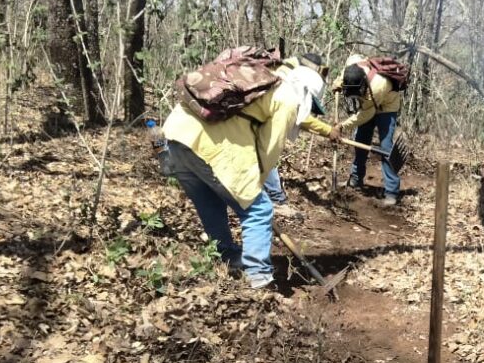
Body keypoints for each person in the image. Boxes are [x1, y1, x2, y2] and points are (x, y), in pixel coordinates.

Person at [162, 62, 338, 289]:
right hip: (210, 146)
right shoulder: (287, 98)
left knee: (210, 202)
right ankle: (260, 279)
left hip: (176, 137)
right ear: (306, 93)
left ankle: (228, 257)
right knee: (259, 209)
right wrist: (255, 188)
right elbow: (269, 150)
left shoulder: (264, 83)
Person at [262, 53, 334, 218]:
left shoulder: (289, 71)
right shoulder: (288, 78)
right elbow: (299, 115)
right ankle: (276, 200)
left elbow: (299, 116)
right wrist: (328, 131)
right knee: (269, 151)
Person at [336, 54, 402, 205]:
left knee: (386, 147)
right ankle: (356, 179)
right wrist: (336, 84)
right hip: (368, 103)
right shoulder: (350, 68)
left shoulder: (378, 84)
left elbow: (366, 114)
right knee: (360, 141)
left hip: (387, 107)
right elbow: (341, 78)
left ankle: (391, 192)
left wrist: (342, 125)